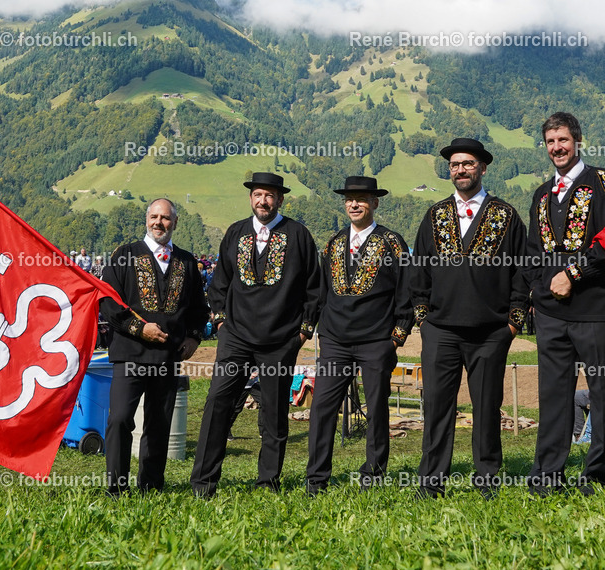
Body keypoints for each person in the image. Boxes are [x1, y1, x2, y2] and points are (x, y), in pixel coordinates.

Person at [525, 111, 605, 496]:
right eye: (550, 142)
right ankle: (547, 476)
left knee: (602, 393)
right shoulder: (542, 194)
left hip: (599, 309)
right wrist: (538, 289)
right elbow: (533, 250)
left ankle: (595, 476)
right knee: (553, 395)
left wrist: (572, 274)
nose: (557, 148)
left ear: (577, 141)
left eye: (563, 140)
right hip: (551, 313)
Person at [410, 138, 529, 499]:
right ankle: (431, 483)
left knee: (487, 409)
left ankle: (487, 481)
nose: (460, 169)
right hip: (440, 331)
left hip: (491, 332)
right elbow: (419, 271)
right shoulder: (435, 215)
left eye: (468, 163)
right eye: (455, 164)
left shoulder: (506, 215)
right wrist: (423, 319)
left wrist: (513, 323)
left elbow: (522, 272)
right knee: (437, 409)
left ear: (483, 168)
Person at [191, 172, 322, 497]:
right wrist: (221, 324)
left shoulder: (298, 235)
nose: (263, 201)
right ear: (251, 198)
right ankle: (203, 484)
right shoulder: (235, 232)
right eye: (258, 195)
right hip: (235, 337)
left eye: (269, 195)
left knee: (274, 413)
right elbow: (219, 284)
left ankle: (268, 484)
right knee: (217, 404)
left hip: (280, 341)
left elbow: (314, 288)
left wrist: (302, 334)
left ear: (280, 199)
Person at [306, 176, 413, 496]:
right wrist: (321, 331)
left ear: (374, 203)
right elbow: (322, 292)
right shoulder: (333, 243)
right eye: (350, 199)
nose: (354, 204)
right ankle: (316, 479)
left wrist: (396, 337)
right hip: (335, 341)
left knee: (376, 409)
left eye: (361, 199)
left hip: (376, 341)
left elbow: (405, 291)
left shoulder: (393, 243)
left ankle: (374, 475)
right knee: (322, 408)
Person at [99, 198, 209, 496]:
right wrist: (139, 328)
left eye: (165, 218)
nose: (159, 222)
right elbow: (107, 302)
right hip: (129, 354)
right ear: (146, 219)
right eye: (154, 217)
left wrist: (194, 337)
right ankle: (116, 488)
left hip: (167, 357)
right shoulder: (124, 255)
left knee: (159, 424)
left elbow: (199, 308)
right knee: (119, 419)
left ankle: (151, 487)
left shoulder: (187, 262)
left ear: (175, 223)